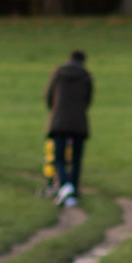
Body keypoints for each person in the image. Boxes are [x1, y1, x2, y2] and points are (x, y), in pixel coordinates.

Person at [44, 49, 93, 207]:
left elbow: (49, 96)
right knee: (76, 158)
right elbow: (88, 99)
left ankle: (63, 185)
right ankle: (73, 187)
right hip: (79, 122)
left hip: (59, 121)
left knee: (59, 157)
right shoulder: (86, 76)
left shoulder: (58, 73)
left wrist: (55, 110)